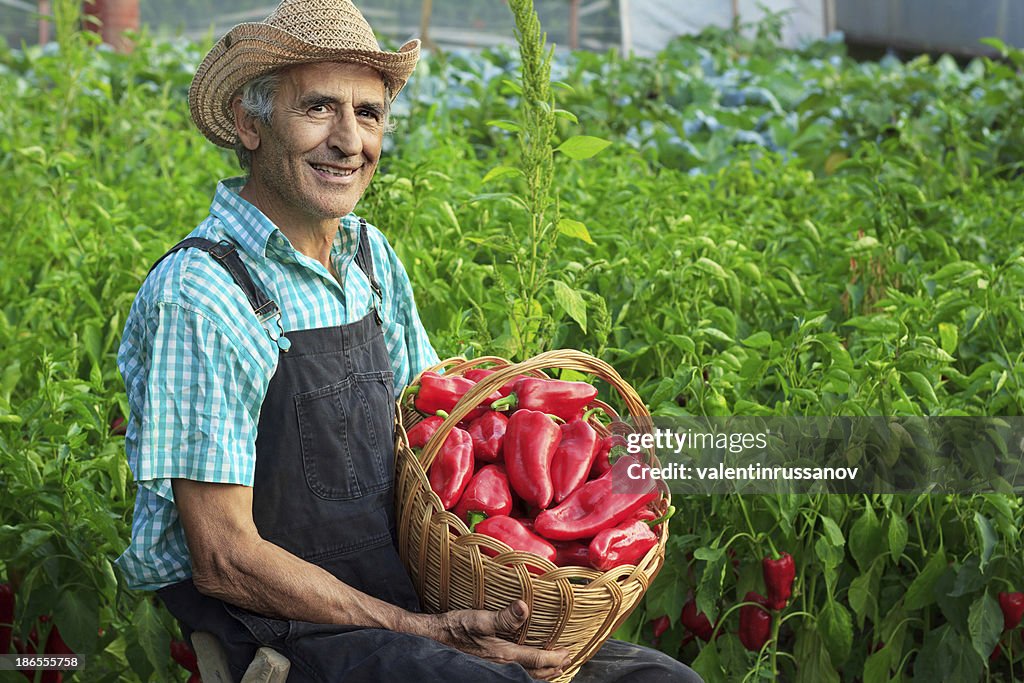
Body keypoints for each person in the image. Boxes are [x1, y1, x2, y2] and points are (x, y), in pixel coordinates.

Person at [116, 0, 703, 681]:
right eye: (317, 109)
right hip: (288, 626)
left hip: (400, 595)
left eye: (368, 113)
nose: (349, 140)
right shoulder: (207, 291)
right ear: (250, 124)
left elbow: (431, 439)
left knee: (660, 679)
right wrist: (419, 627)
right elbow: (223, 556)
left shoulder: (369, 257)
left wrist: (535, 553)